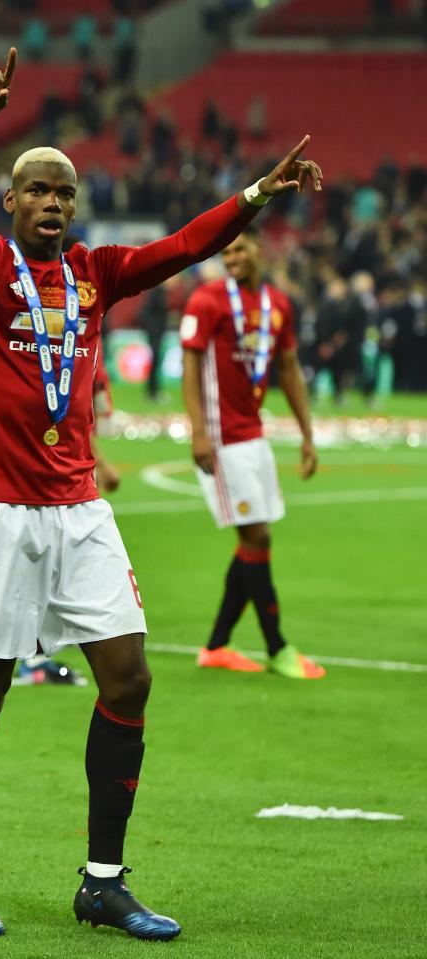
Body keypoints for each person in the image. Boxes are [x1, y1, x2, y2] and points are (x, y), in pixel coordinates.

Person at [0, 46, 322, 940]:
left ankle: (103, 881)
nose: (54, 204)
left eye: (66, 192)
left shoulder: (96, 274)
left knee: (130, 674)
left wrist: (257, 196)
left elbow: (185, 246)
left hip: (78, 508)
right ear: (11, 201)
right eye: (38, 190)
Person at [181, 227, 326, 680]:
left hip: (254, 436)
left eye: (240, 249)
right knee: (257, 537)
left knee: (254, 541)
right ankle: (277, 646)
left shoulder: (278, 305)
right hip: (222, 440)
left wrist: (307, 435)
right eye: (226, 252)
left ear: (261, 250)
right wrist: (198, 432)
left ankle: (217, 645)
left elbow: (289, 369)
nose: (232, 257)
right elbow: (189, 366)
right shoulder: (206, 300)